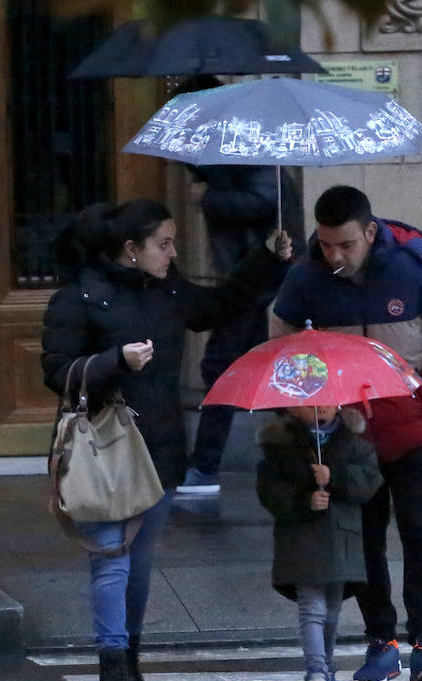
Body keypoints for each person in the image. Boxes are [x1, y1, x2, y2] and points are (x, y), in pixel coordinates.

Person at [41, 198, 292, 681]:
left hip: (160, 447)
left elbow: (218, 306)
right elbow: (57, 372)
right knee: (110, 558)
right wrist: (114, 361)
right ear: (131, 250)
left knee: (140, 564)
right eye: (163, 243)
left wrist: (267, 259)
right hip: (106, 448)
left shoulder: (170, 292)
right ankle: (112, 670)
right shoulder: (80, 297)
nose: (172, 252)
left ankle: (129, 658)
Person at [269, 185, 422, 681]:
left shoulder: (419, 265)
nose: (334, 256)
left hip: (418, 434)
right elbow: (282, 351)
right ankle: (380, 643)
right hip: (350, 441)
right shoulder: (305, 279)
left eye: (345, 245)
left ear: (368, 232)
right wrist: (311, 412)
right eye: (325, 245)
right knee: (364, 544)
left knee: (420, 531)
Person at [176, 74, 306, 495]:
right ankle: (209, 466)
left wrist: (208, 197)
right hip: (251, 277)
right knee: (244, 368)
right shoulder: (226, 147)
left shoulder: (249, 143)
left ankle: (206, 467)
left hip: (261, 278)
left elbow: (265, 199)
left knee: (230, 367)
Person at [256, 404, 383, 681]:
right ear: (292, 408)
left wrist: (333, 476)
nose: (320, 409)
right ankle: (316, 671)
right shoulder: (280, 445)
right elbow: (269, 490)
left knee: (332, 608)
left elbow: (368, 481)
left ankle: (326, 665)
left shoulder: (354, 443)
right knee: (311, 607)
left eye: (327, 401)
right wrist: (304, 500)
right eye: (310, 404)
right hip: (301, 536)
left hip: (341, 537)